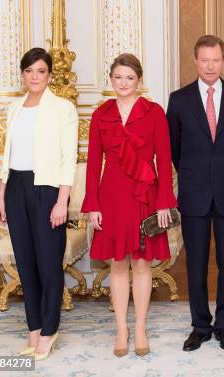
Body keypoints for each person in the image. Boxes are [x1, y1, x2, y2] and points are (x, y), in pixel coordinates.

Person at [81, 53, 177, 357]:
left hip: (145, 196)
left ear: (140, 81)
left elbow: (164, 159)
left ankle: (141, 328)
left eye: (130, 78)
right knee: (118, 263)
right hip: (110, 197)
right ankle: (121, 328)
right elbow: (94, 162)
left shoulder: (154, 112)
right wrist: (92, 204)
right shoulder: (100, 114)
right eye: (118, 77)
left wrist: (164, 202)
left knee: (142, 263)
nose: (123, 83)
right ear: (111, 79)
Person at [166, 35, 224, 352]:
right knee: (197, 263)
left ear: (223, 60)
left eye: (215, 60)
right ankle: (200, 326)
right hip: (194, 192)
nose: (210, 66)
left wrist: (223, 171)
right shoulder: (178, 100)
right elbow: (173, 149)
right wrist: (196, 174)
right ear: (195, 61)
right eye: (204, 60)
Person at [0, 47, 78, 361]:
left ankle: (49, 329)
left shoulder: (63, 108)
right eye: (29, 71)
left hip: (46, 189)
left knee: (47, 263)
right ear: (23, 74)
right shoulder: (14, 108)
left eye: (41, 71)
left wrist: (62, 202)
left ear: (49, 75)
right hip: (15, 187)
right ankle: (33, 328)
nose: (34, 77)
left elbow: (69, 159)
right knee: (25, 265)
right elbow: (7, 157)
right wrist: (1, 197)